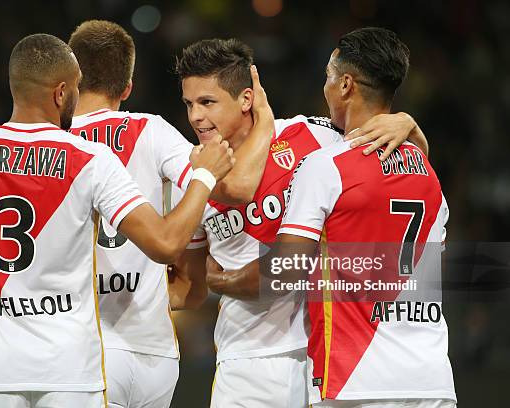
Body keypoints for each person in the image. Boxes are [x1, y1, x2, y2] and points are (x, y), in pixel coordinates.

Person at [0, 33, 233, 408]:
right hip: (73, 368)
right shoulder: (92, 158)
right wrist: (205, 176)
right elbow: (168, 241)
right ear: (62, 93)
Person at [169, 38, 430, 408]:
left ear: (246, 99)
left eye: (207, 102)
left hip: (324, 352)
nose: (195, 116)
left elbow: (400, 176)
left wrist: (406, 124)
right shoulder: (190, 178)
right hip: (246, 362)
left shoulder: (313, 136)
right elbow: (191, 285)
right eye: (189, 104)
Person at [66, 20, 275, 408]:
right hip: (154, 354)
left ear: (69, 83)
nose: (196, 116)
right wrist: (265, 121)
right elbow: (234, 187)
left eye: (205, 103)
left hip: (80, 347)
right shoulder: (152, 132)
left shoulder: (51, 147)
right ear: (127, 87)